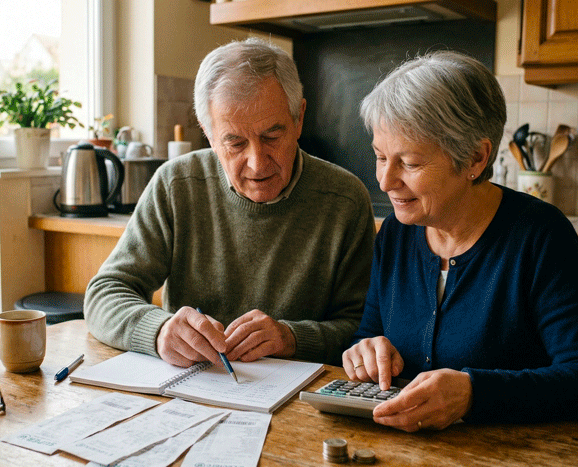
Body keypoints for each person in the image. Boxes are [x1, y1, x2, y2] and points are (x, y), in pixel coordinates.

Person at [343, 51, 578, 431]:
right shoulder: (397, 232)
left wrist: (474, 393)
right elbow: (369, 333)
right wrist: (366, 351)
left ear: (475, 158)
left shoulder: (540, 236)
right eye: (380, 157)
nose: (385, 181)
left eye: (408, 163)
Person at [84, 38, 376, 368]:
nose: (257, 163)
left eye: (271, 136)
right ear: (209, 135)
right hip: (193, 390)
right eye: (235, 143)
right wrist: (158, 329)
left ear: (299, 119)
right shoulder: (177, 184)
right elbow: (104, 292)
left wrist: (291, 338)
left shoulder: (345, 199)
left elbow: (364, 331)